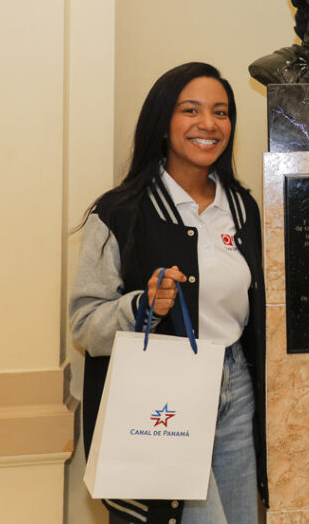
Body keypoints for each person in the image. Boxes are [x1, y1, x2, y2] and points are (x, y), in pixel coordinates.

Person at [70, 62, 266, 524]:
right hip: (164, 397)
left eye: (221, 112)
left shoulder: (243, 207)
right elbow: (85, 324)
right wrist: (141, 306)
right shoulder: (119, 212)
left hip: (235, 388)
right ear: (163, 123)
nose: (208, 124)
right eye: (190, 110)